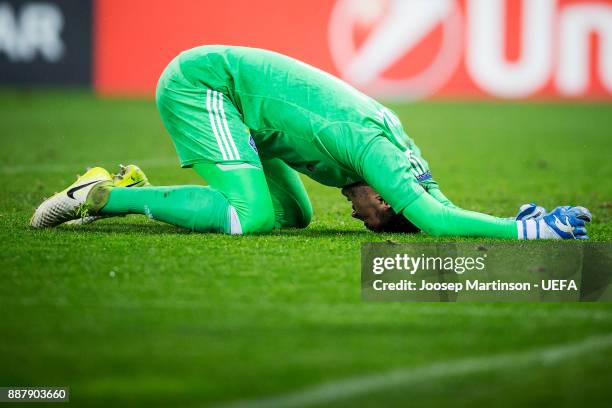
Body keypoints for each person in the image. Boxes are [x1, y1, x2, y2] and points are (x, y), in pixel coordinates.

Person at [30, 45, 592, 240]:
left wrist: (514, 217)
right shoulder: (377, 156)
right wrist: (529, 230)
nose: (357, 214)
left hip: (246, 110)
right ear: (386, 196)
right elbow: (438, 221)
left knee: (293, 216)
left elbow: (435, 204)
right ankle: (105, 193)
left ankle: (130, 184)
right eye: (372, 217)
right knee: (250, 218)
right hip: (204, 84)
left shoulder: (396, 161)